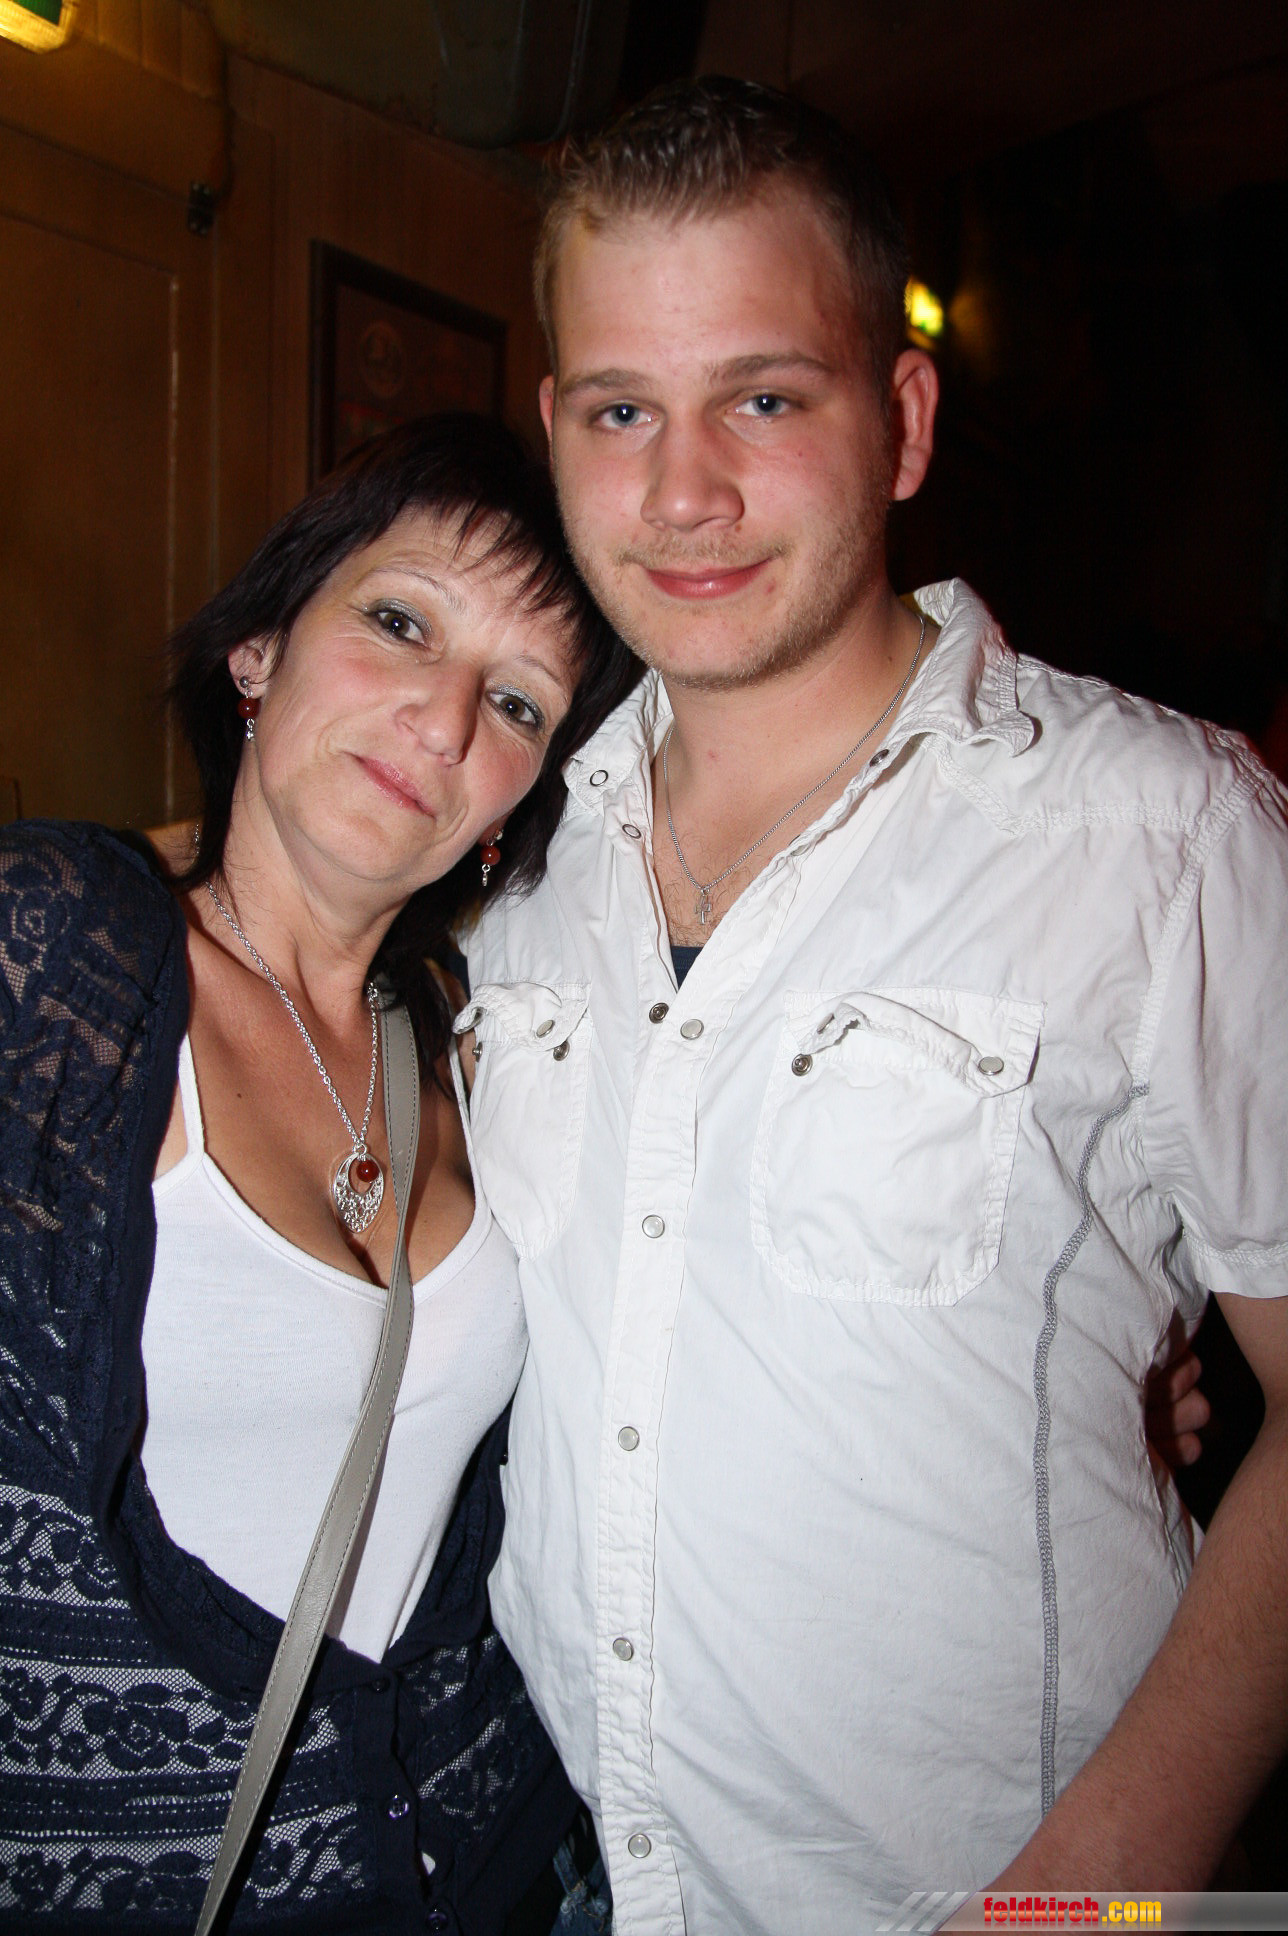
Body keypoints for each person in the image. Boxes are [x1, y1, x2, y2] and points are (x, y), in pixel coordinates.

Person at [461, 78, 1288, 1931]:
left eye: (763, 399)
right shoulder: (512, 860)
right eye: (623, 411)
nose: (683, 493)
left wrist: (1093, 1896)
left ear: (902, 421)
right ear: (560, 428)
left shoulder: (1163, 833)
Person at [0, 413, 638, 1932]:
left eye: (518, 701)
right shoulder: (57, 950)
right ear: (260, 649)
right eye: (402, 623)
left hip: (521, 1864)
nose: (443, 718)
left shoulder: (485, 1036)